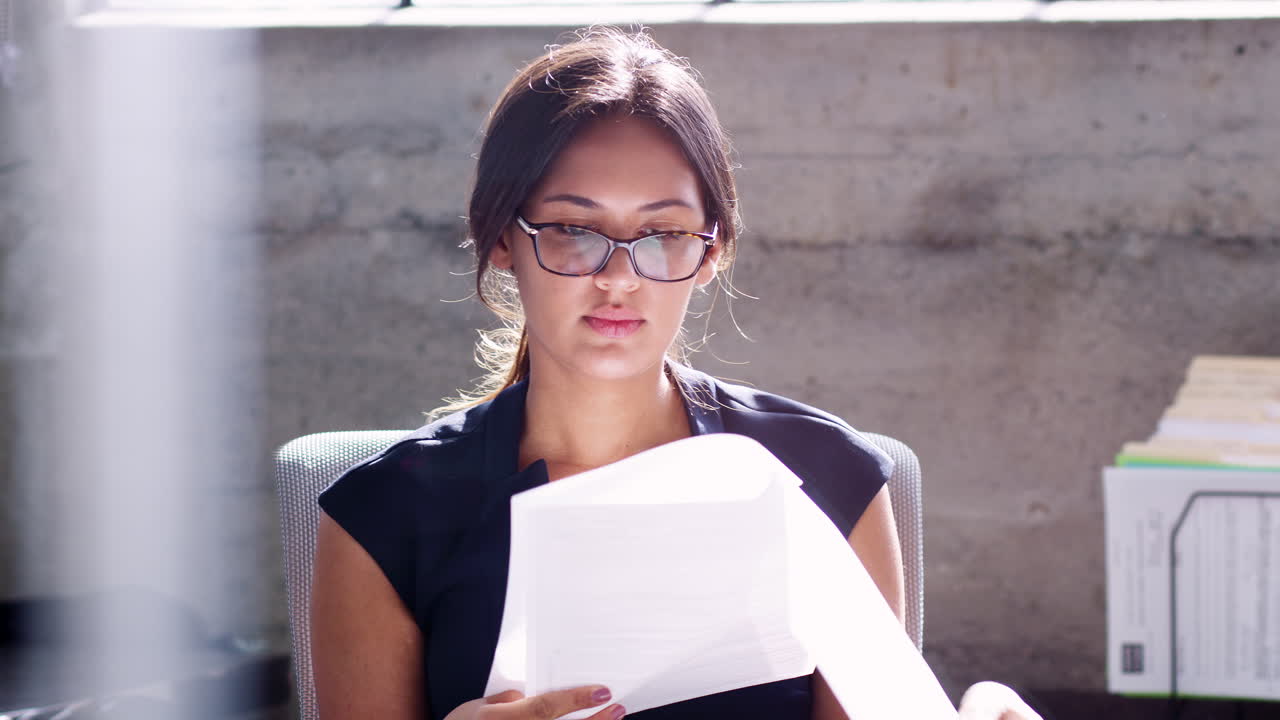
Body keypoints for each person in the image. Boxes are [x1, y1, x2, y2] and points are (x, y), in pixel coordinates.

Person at [309, 27, 1042, 720]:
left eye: (662, 235)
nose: (619, 278)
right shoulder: (386, 517)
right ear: (502, 238)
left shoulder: (824, 477)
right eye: (572, 230)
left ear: (712, 250)